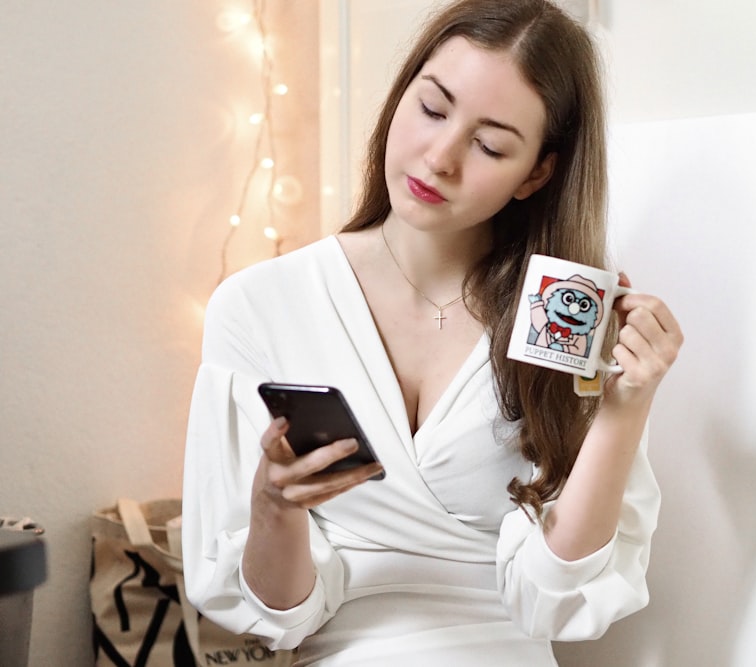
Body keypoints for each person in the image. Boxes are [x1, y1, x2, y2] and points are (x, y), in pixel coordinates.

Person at [181, 0, 683, 664]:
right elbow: (280, 616)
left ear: (536, 172)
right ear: (401, 95)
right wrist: (276, 506)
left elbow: (553, 601)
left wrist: (624, 408)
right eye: (433, 108)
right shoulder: (258, 306)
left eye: (490, 144)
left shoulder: (559, 314)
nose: (440, 157)